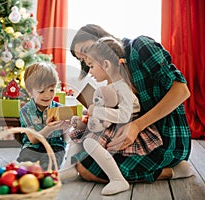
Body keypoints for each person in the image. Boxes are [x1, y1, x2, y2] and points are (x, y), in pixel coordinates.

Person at [67, 24, 194, 191]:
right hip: (140, 138)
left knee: (87, 170)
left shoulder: (140, 47)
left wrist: (136, 126)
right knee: (83, 159)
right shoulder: (114, 74)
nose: (87, 59)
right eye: (82, 59)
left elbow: (182, 91)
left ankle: (172, 171)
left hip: (167, 138)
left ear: (100, 38)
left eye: (86, 49)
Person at [61, 37, 164, 195]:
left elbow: (124, 115)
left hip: (125, 127)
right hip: (111, 126)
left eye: (91, 66)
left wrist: (97, 111)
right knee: (77, 136)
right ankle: (68, 168)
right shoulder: (111, 86)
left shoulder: (123, 87)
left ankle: (117, 179)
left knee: (89, 143)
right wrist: (90, 114)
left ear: (106, 64)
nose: (90, 72)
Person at [16, 62, 69, 170]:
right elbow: (33, 140)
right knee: (25, 162)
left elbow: (65, 140)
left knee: (51, 163)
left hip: (55, 146)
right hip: (32, 147)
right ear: (30, 92)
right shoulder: (25, 111)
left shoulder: (60, 109)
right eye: (41, 91)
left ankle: (45, 173)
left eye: (51, 90)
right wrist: (49, 128)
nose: (47, 95)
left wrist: (66, 129)